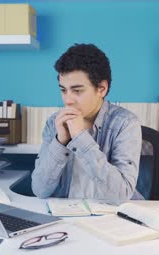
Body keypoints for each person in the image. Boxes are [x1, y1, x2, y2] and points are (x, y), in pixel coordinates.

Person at [31, 43, 143, 201]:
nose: (68, 100)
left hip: (111, 219)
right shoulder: (54, 123)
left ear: (101, 89)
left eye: (77, 91)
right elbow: (39, 190)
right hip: (65, 217)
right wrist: (60, 142)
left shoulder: (125, 123)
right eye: (63, 90)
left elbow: (121, 194)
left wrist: (80, 138)